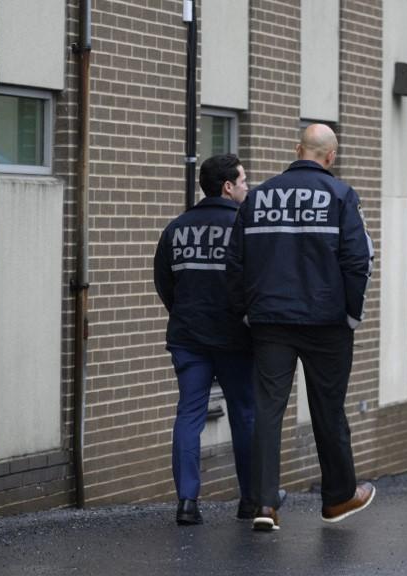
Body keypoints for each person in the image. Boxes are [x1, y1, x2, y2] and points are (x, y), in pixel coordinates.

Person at [226, 124, 376, 532]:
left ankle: (263, 504)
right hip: (326, 321)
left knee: (268, 410)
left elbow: (235, 262)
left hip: (270, 320)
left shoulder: (257, 197)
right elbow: (358, 260)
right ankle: (338, 498)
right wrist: (351, 314)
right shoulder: (342, 196)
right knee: (328, 410)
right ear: (331, 156)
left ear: (298, 150)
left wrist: (246, 311)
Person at [153, 154, 256, 525]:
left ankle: (186, 502)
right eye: (243, 181)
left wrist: (185, 316)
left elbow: (166, 285)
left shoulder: (176, 228)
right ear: (227, 187)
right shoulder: (244, 227)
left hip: (188, 337)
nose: (248, 187)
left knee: (188, 414)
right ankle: (250, 500)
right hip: (235, 339)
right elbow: (254, 284)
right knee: (245, 416)